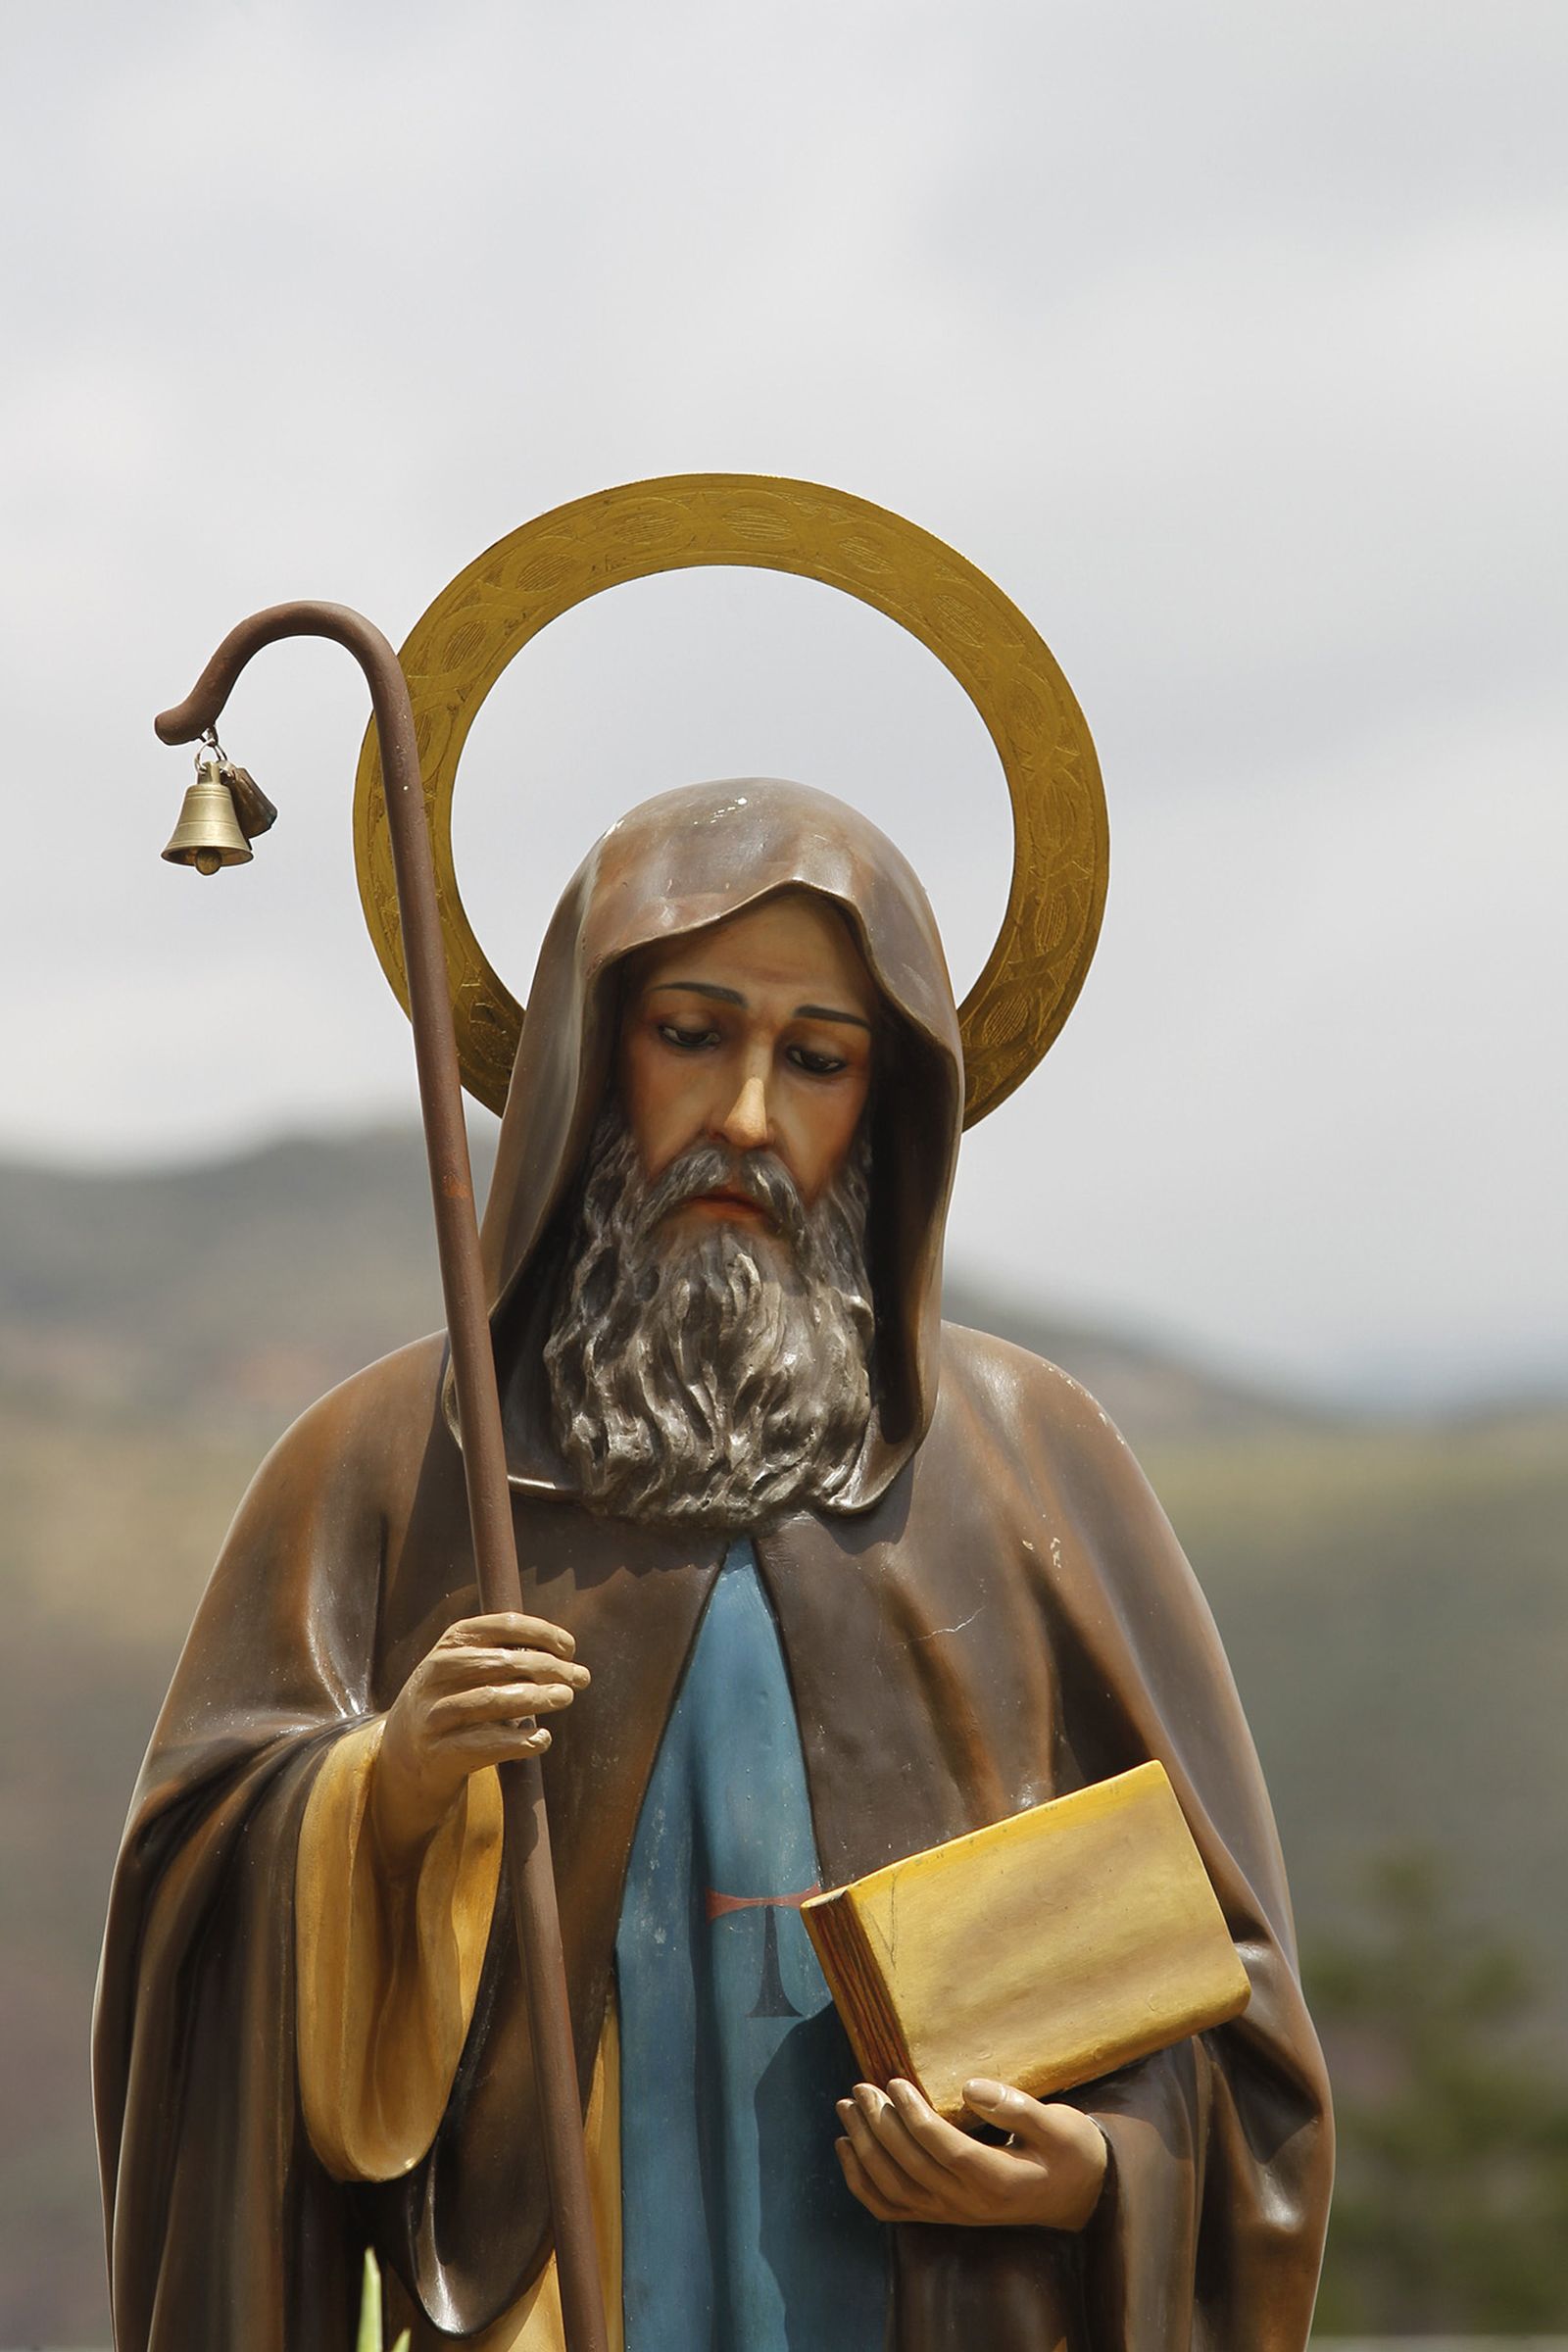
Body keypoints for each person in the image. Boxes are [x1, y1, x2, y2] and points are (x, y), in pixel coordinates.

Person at [96, 780, 1333, 2352]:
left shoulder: (1035, 1459)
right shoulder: (399, 1459)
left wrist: (1100, 2167)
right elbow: (194, 1914)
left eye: (815, 1059)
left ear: (880, 1106)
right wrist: (382, 1799)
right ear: (585, 1061)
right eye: (693, 1033)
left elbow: (1231, 2008)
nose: (748, 1114)